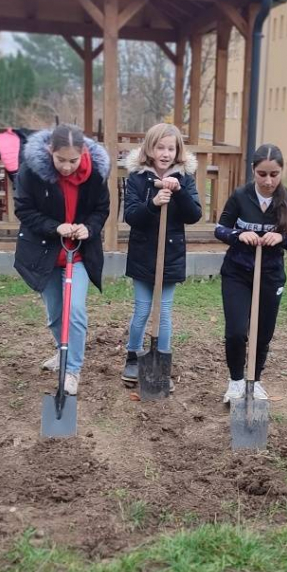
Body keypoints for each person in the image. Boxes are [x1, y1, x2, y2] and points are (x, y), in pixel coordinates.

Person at [14, 124, 110, 395]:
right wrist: (55, 227)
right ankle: (62, 350)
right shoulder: (31, 172)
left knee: (75, 311)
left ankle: (72, 370)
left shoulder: (96, 174)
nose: (67, 167)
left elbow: (102, 209)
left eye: (73, 161)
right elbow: (24, 209)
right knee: (56, 315)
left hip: (78, 254)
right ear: (50, 151)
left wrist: (89, 228)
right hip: (44, 252)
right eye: (61, 160)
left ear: (83, 153)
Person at [215, 143, 287, 404]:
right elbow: (220, 229)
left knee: (263, 333)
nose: (268, 181)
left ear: (281, 172)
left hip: (270, 275)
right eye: (262, 174)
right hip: (237, 272)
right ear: (253, 170)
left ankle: (254, 382)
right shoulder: (240, 197)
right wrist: (239, 234)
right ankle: (235, 382)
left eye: (274, 174)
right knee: (236, 331)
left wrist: (282, 238)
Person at [120, 122, 202, 385]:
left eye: (171, 148)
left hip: (171, 254)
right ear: (150, 149)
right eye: (160, 147)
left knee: (164, 312)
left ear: (178, 151)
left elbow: (194, 215)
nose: (165, 153)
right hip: (143, 253)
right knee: (143, 310)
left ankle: (161, 363)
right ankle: (133, 357)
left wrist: (179, 192)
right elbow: (131, 216)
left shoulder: (185, 178)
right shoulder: (137, 178)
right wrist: (154, 203)